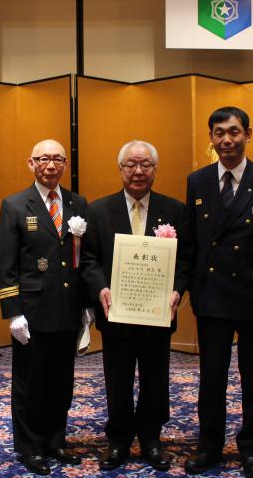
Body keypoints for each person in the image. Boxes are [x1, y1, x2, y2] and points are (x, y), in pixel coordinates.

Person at [183, 108, 253, 478]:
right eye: (219, 133)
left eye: (234, 132)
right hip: (212, 295)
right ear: (210, 138)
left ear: (248, 134)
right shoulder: (197, 181)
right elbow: (193, 242)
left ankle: (252, 449)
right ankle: (209, 446)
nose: (226, 140)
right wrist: (188, 288)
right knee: (211, 377)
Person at [80, 140, 186, 472]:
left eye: (145, 165)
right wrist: (101, 290)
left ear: (155, 169)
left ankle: (152, 439)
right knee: (118, 376)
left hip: (158, 311)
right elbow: (89, 259)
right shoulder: (98, 210)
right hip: (116, 312)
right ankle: (119, 440)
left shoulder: (176, 210)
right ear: (121, 169)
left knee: (156, 376)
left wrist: (177, 291)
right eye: (130, 165)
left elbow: (185, 260)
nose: (138, 171)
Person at [0, 139, 90, 476]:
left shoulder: (78, 203)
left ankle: (56, 440)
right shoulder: (15, 205)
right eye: (44, 159)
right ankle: (30, 446)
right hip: (32, 312)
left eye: (58, 159)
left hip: (67, 309)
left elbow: (83, 258)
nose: (51, 166)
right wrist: (13, 312)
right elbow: (6, 264)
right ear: (31, 163)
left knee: (61, 380)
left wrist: (88, 306)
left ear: (65, 164)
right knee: (30, 382)